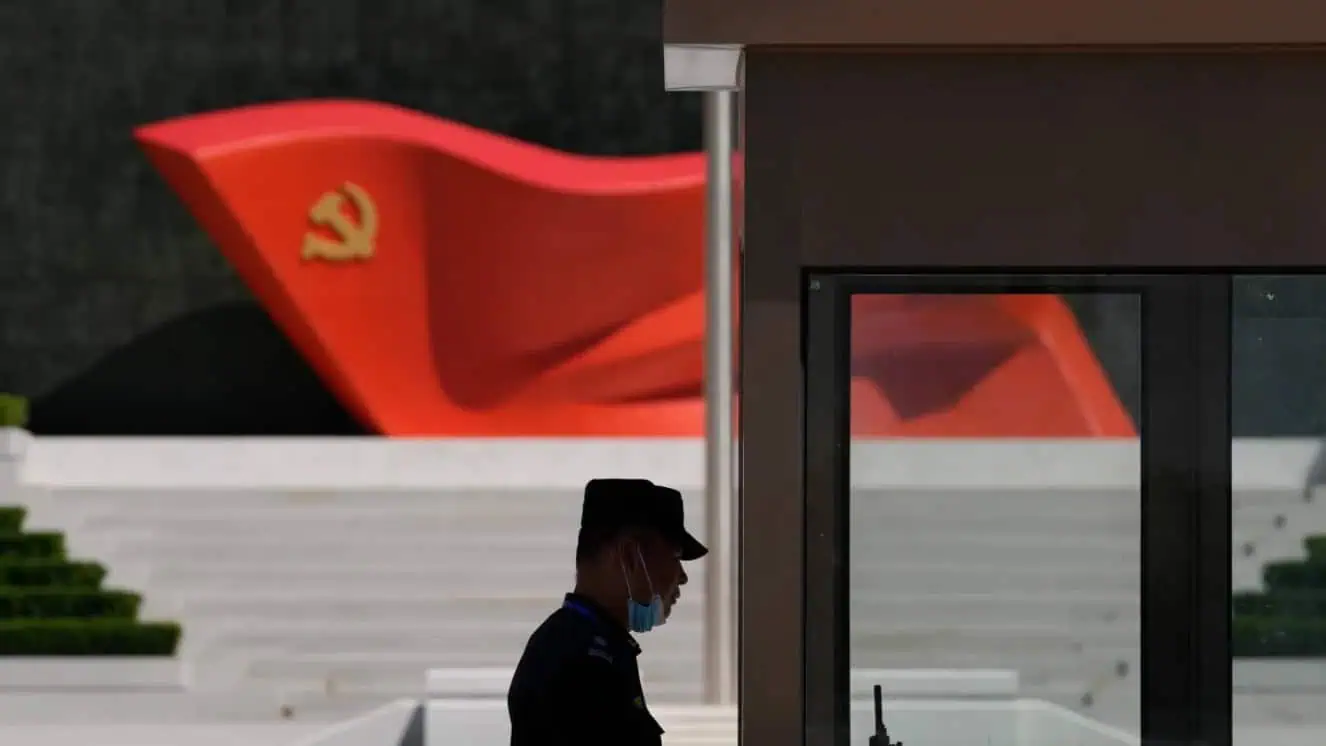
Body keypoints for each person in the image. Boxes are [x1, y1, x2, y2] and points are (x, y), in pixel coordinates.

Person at [507, 478, 708, 746]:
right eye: (674, 556)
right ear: (630, 556)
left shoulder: (590, 644)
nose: (681, 577)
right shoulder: (582, 663)